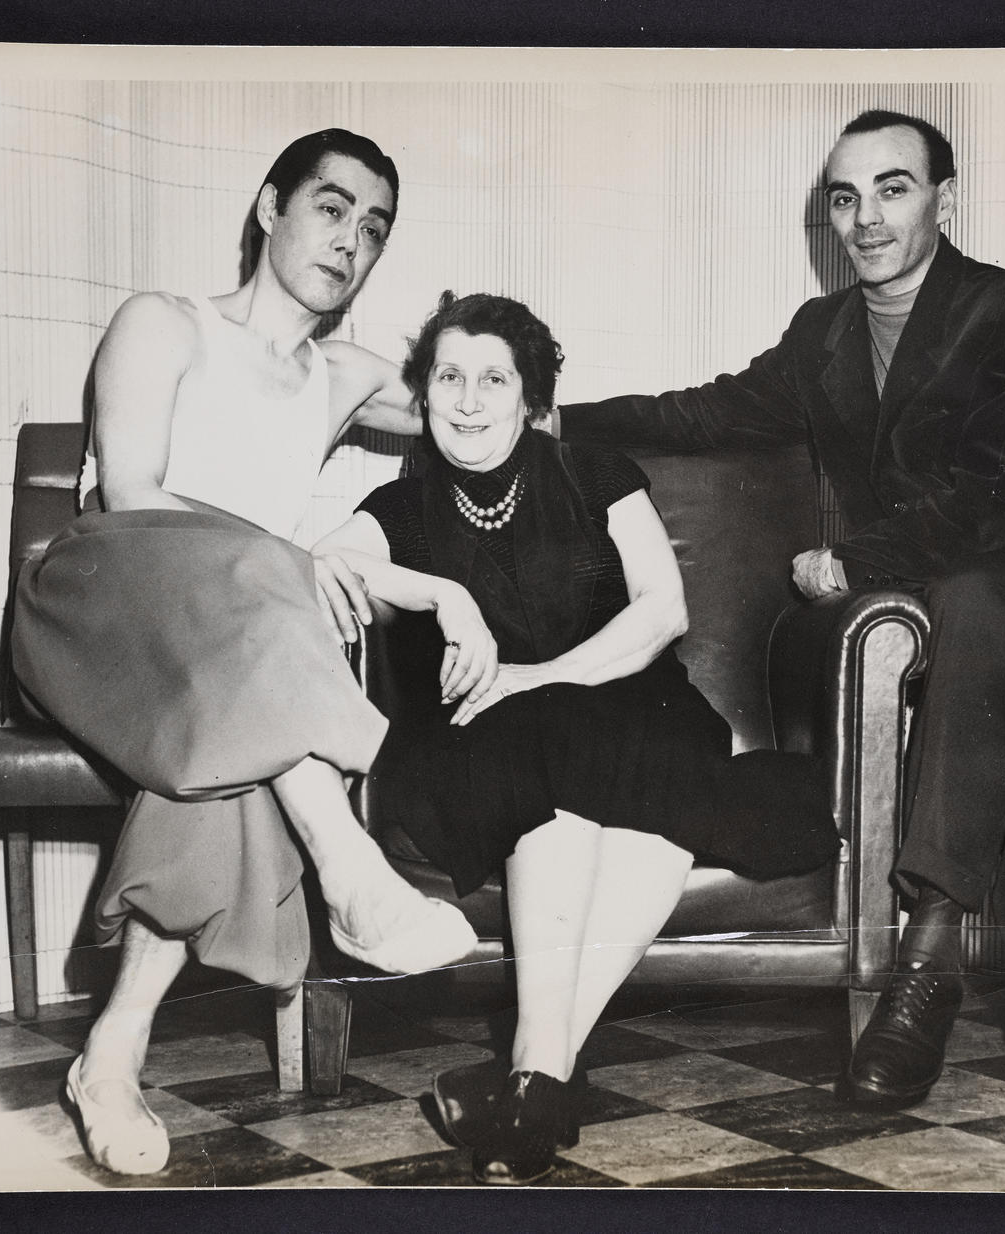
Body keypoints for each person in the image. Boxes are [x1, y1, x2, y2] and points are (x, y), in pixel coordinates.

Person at [558, 110, 1005, 1156]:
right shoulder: (824, 337)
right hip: (997, 643)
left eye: (893, 188)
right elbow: (709, 412)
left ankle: (924, 957)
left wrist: (857, 564)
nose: (866, 217)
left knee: (978, 596)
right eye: (846, 197)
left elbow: (994, 492)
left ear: (944, 197)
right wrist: (553, 414)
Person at [9, 129, 477, 1176]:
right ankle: (349, 865)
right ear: (269, 207)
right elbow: (131, 496)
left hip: (225, 663)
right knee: (277, 584)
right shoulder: (163, 322)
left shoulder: (343, 371)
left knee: (233, 749)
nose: (351, 239)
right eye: (331, 207)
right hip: (96, 612)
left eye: (374, 228)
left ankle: (111, 1053)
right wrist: (290, 559)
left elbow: (480, 404)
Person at [314, 291, 839, 1184]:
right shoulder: (399, 506)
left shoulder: (597, 473)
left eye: (493, 379)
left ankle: (532, 1076)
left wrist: (536, 676)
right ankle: (539, 1084)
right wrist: (445, 595)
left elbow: (663, 611)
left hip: (632, 708)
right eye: (449, 378)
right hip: (491, 744)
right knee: (550, 761)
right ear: (424, 394)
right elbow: (322, 559)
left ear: (531, 398)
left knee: (641, 772)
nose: (470, 401)